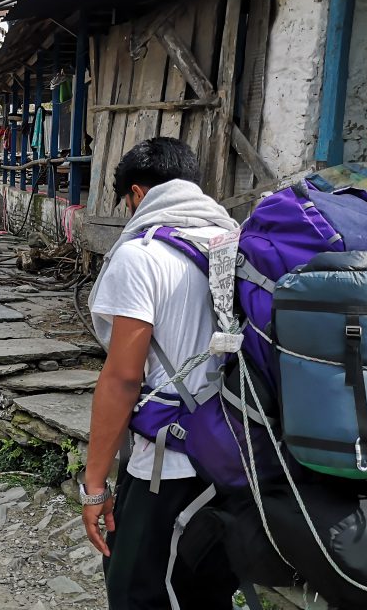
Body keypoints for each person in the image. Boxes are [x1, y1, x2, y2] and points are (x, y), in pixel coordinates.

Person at [83, 137, 240, 609]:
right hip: (238, 457)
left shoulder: (142, 255)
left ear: (136, 194)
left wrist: (94, 488)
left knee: (138, 593)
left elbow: (124, 378)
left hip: (167, 467)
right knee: (207, 593)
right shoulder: (234, 243)